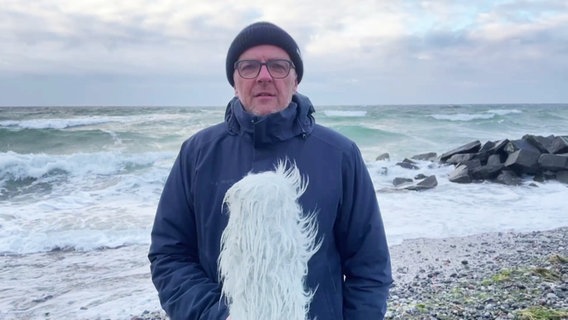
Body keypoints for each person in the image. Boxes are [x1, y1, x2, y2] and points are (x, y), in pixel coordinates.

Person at [148, 21, 393, 320]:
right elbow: (169, 254)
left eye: (278, 66)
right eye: (249, 66)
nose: (264, 76)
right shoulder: (197, 153)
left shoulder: (340, 154)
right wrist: (216, 315)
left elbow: (370, 265)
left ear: (296, 79)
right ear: (234, 80)